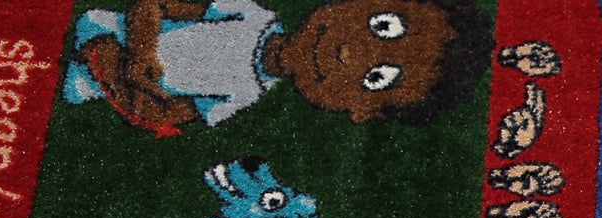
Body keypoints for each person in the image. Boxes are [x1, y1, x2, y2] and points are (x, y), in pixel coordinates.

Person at [61, 0, 493, 132]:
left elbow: (177, 113)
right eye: (382, 25)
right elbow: (157, 5)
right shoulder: (249, 15)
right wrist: (141, 53)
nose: (348, 54)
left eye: (376, 77)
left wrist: (137, 91)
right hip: (108, 30)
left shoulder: (247, 93)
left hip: (104, 84)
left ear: (361, 111)